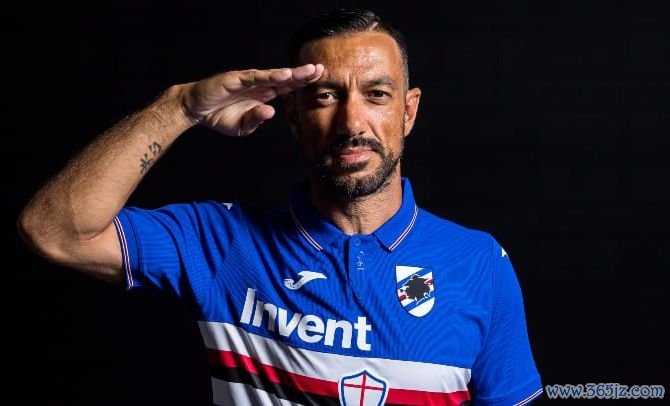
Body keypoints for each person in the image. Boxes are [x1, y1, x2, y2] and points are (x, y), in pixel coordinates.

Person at [18, 8, 543, 405]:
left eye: (377, 95)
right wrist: (179, 107)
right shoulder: (221, 242)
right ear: (292, 116)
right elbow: (54, 231)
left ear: (408, 112)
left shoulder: (479, 263)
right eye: (325, 97)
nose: (352, 123)